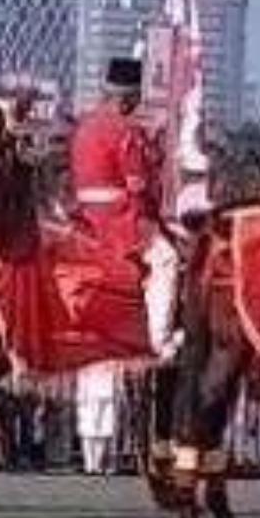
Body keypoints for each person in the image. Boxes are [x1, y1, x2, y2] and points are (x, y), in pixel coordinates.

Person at [69, 56, 181, 358]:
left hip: (84, 216)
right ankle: (160, 339)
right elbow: (138, 186)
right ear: (130, 96)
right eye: (137, 97)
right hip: (119, 220)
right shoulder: (127, 131)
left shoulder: (84, 127)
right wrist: (157, 220)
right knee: (167, 258)